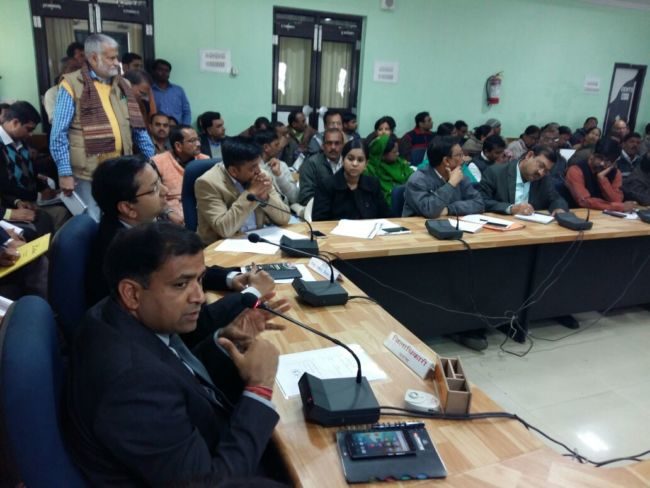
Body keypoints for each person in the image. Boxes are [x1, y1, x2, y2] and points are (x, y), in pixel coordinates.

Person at [66, 221, 286, 486]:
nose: (200, 297)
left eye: (200, 279)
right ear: (132, 293)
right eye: (181, 284)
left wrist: (223, 341)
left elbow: (176, 372)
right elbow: (209, 484)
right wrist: (260, 387)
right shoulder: (132, 383)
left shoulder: (115, 314)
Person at [87, 155, 277, 339]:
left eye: (160, 182)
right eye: (154, 189)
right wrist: (252, 293)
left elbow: (180, 272)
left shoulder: (137, 227)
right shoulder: (127, 251)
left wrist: (230, 278)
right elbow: (193, 327)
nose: (165, 190)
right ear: (128, 208)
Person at [49, 34, 155, 221]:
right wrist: (64, 173)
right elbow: (59, 132)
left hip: (118, 169)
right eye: (111, 58)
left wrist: (151, 161)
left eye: (116, 57)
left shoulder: (123, 85)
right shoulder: (71, 84)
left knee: (119, 218)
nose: (116, 62)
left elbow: (137, 127)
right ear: (93, 58)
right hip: (87, 172)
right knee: (92, 220)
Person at [195, 136, 290, 242]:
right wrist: (251, 193)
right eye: (252, 167)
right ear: (234, 171)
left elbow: (284, 218)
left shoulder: (261, 176)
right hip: (221, 246)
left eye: (258, 164)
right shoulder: (208, 183)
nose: (259, 171)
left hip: (257, 239)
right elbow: (224, 229)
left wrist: (265, 198)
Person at [0, 101, 70, 233]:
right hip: (12, 204)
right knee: (59, 214)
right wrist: (36, 196)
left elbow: (30, 171)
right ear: (15, 123)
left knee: (65, 206)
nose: (31, 134)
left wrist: (43, 188)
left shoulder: (20, 140)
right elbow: (5, 186)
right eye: (29, 129)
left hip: (27, 199)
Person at [403, 136, 484, 218]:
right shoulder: (418, 180)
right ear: (446, 161)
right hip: (417, 224)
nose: (463, 160)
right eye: (459, 155)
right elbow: (429, 210)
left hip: (450, 223)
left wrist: (449, 209)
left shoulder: (459, 176)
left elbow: (479, 203)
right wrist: (451, 184)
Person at [312, 139, 389, 221]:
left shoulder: (373, 184)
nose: (355, 164)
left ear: (366, 163)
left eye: (360, 160)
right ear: (342, 160)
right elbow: (319, 221)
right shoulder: (326, 185)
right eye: (350, 159)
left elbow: (386, 215)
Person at [480, 145, 568, 215]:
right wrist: (511, 208)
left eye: (546, 171)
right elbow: (482, 200)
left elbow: (557, 199)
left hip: (531, 228)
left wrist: (559, 209)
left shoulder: (544, 179)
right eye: (541, 165)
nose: (541, 173)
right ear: (529, 156)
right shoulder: (495, 172)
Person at [152, 125, 209, 223]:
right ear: (178, 146)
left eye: (198, 139)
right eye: (192, 141)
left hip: (201, 211)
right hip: (171, 216)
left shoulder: (205, 160)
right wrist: (168, 212)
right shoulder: (158, 162)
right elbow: (154, 196)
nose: (198, 144)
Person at [564, 138, 637, 211]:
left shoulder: (616, 173)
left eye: (608, 161)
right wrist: (616, 207)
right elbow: (584, 201)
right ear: (592, 155)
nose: (603, 164)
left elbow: (617, 200)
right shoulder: (576, 170)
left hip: (605, 215)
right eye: (600, 158)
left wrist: (602, 179)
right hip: (580, 213)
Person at [298, 128, 344, 205]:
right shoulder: (311, 164)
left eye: (337, 143)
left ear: (343, 145)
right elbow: (306, 197)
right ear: (323, 146)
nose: (333, 147)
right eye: (329, 143)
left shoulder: (348, 163)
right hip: (321, 208)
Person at [366, 133, 414, 206]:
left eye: (398, 151)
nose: (398, 154)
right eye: (394, 152)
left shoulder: (399, 162)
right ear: (382, 154)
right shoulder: (371, 169)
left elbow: (412, 176)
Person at [254, 130, 299, 204]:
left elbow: (294, 197)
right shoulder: (253, 170)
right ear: (266, 147)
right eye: (276, 145)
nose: (279, 147)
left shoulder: (282, 165)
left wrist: (279, 175)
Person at [151, 58, 191, 125]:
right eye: (160, 70)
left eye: (167, 71)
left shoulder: (178, 90)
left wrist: (185, 127)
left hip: (177, 128)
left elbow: (186, 112)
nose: (164, 73)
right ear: (154, 71)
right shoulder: (150, 91)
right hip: (159, 128)